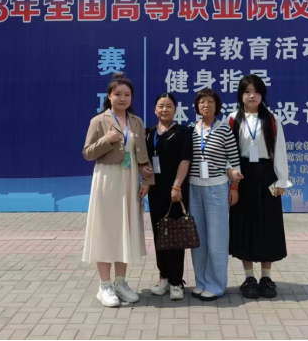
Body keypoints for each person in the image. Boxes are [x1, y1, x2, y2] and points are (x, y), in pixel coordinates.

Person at [82, 72, 154, 308]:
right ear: (109, 96)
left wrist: (147, 181)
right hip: (107, 179)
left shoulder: (136, 121)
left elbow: (143, 156)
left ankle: (121, 283)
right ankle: (104, 286)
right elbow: (88, 153)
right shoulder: (98, 121)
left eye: (127, 94)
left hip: (130, 180)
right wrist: (107, 140)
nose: (123, 98)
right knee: (105, 230)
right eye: (118, 94)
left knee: (125, 229)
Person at [228, 74, 292, 299]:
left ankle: (266, 277)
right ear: (241, 95)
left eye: (256, 91)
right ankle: (249, 278)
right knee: (244, 226)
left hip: (267, 176)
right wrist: (233, 181)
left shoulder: (272, 119)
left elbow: (280, 150)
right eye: (246, 91)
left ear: (262, 94)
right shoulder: (233, 119)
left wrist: (281, 180)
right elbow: (229, 152)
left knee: (268, 225)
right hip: (243, 175)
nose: (251, 95)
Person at [188, 88, 242, 301]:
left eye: (210, 102)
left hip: (217, 189)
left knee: (217, 239)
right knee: (198, 240)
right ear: (197, 106)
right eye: (202, 101)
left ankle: (216, 285)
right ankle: (201, 282)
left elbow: (234, 159)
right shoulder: (191, 129)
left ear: (217, 106)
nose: (206, 105)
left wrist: (234, 187)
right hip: (194, 189)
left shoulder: (224, 129)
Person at [143, 93, 192, 301]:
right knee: (159, 234)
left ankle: (176, 281)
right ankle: (163, 276)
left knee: (175, 235)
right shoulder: (148, 133)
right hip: (156, 191)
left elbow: (185, 160)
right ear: (155, 109)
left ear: (175, 109)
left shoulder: (183, 131)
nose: (164, 110)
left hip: (176, 191)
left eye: (169, 106)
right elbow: (144, 160)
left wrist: (177, 186)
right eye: (161, 106)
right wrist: (146, 182)